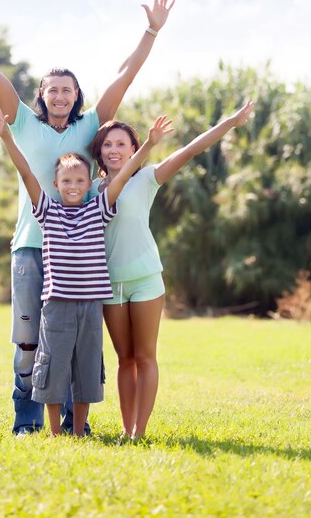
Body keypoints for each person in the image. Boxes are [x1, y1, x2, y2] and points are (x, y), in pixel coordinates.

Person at [0, 0, 175, 435]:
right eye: (53, 90)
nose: (60, 96)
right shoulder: (24, 121)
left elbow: (123, 77)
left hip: (80, 254)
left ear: (77, 95)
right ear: (42, 95)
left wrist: (151, 31)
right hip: (32, 246)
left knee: (74, 342)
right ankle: (26, 420)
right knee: (30, 341)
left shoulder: (90, 127)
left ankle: (73, 422)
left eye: (68, 90)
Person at [0, 102, 173, 435]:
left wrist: (149, 145)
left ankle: (79, 429)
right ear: (56, 185)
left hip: (90, 306)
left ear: (90, 184)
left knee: (85, 369)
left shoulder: (99, 209)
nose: (72, 186)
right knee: (53, 366)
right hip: (56, 305)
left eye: (79, 180)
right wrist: (6, 138)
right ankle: (56, 432)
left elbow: (126, 174)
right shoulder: (47, 212)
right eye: (66, 181)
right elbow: (27, 172)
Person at [90, 100, 255, 439]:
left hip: (146, 279)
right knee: (125, 359)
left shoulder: (147, 178)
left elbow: (191, 150)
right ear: (99, 151)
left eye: (122, 143)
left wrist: (230, 122)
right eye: (108, 144)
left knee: (146, 356)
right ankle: (125, 430)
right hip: (108, 285)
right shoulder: (87, 189)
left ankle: (139, 431)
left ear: (135, 148)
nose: (114, 149)